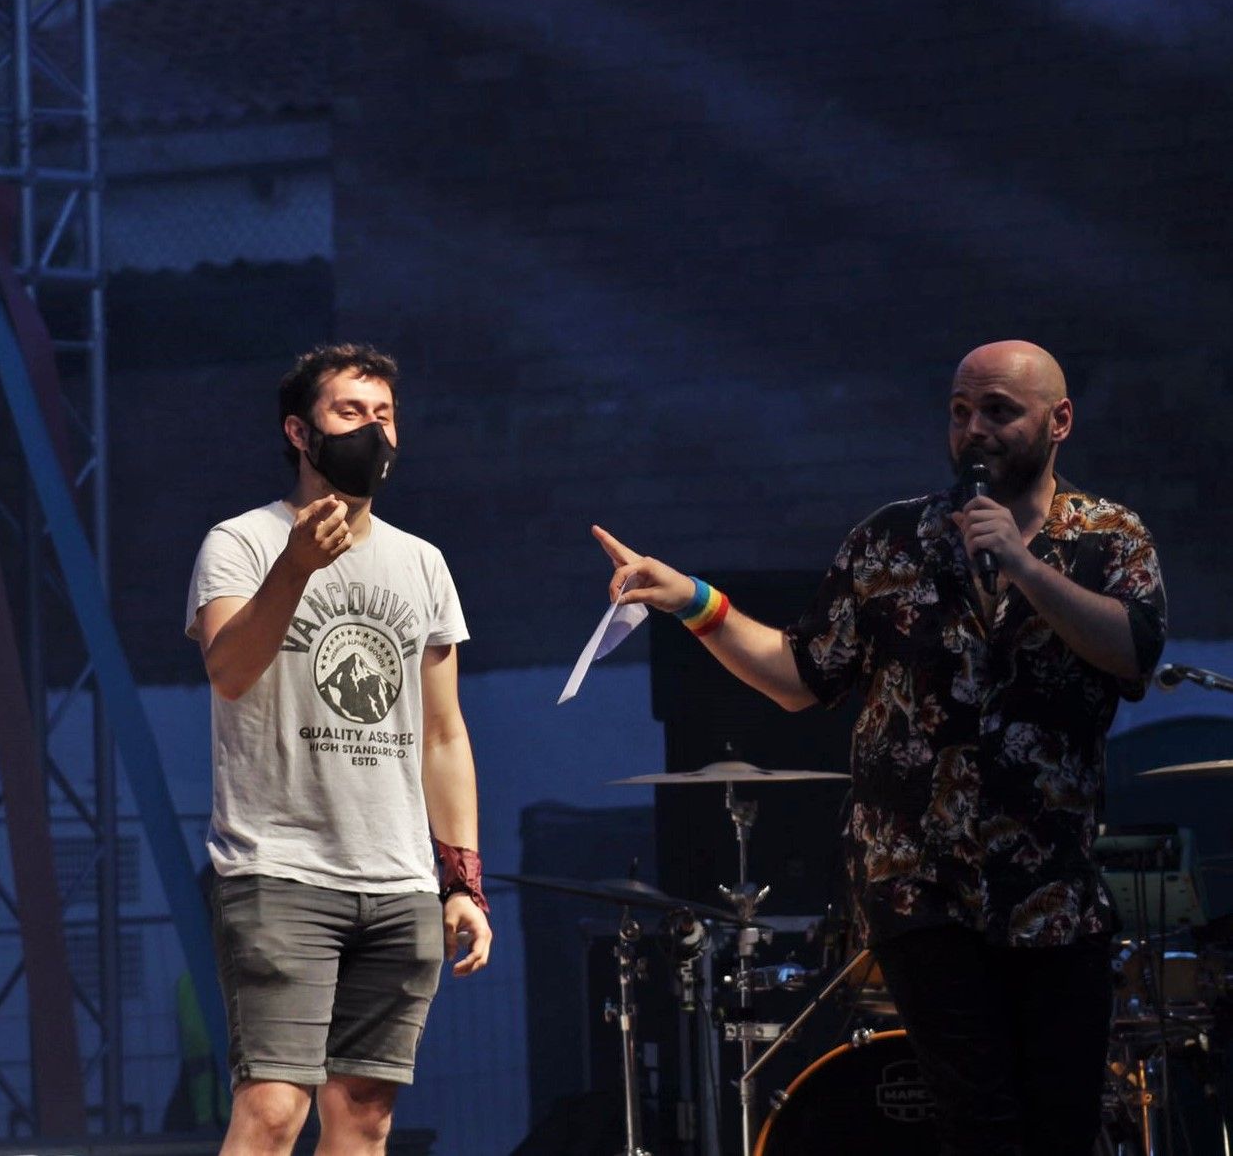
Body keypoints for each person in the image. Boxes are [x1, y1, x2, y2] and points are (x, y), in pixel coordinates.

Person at [594, 340, 1164, 1155]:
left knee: (1062, 1127)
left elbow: (1132, 650)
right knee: (979, 1126)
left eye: (998, 410)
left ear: (1058, 420)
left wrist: (1020, 563)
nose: (974, 429)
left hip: (1051, 889)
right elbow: (799, 673)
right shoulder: (890, 541)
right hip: (917, 886)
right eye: (960, 411)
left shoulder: (1109, 539)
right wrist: (692, 600)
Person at [186, 343, 492, 1156]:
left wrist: (460, 880)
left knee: (363, 1117)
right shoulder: (241, 543)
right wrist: (294, 568)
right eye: (349, 413)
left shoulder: (420, 562)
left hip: (395, 879)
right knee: (274, 1108)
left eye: (384, 415)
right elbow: (228, 670)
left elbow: (443, 733)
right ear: (299, 430)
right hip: (277, 866)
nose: (372, 430)